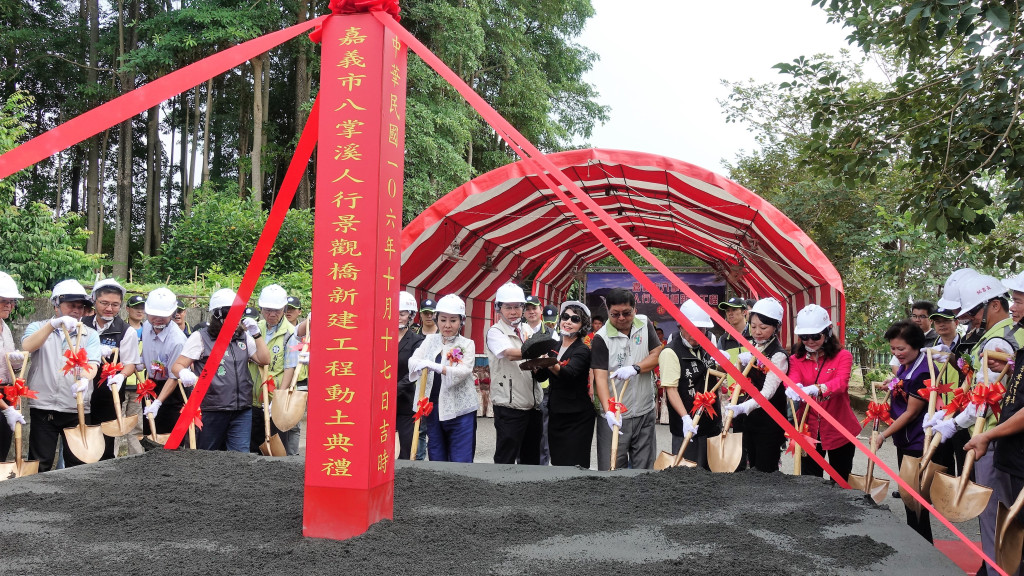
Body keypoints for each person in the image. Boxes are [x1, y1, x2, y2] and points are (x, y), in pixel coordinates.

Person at [171, 289, 270, 452]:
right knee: (208, 454)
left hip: (241, 409)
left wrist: (256, 334)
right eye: (230, 312)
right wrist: (183, 372)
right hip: (212, 408)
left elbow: (264, 359)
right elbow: (177, 365)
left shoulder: (243, 337)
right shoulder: (201, 337)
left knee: (240, 457)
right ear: (218, 314)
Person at [21, 279, 101, 471]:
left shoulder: (90, 334)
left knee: (77, 464)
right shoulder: (38, 327)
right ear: (56, 305)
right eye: (71, 305)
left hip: (76, 407)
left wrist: (84, 380)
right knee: (41, 462)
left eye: (80, 307)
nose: (76, 310)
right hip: (44, 406)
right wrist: (52, 325)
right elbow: (27, 346)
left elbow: (92, 364)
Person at [964, 344, 1024, 576]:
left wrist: (988, 435)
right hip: (1014, 455)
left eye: (1019, 303)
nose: (1015, 307)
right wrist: (1010, 371)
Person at [784, 304, 860, 482]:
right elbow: (794, 378)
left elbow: (841, 383)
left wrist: (816, 389)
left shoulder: (843, 356)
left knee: (840, 480)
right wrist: (793, 388)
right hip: (808, 429)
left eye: (815, 336)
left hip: (839, 429)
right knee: (810, 481)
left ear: (828, 331)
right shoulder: (796, 359)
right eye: (804, 336)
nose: (810, 341)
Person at [592, 288, 664, 470]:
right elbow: (600, 377)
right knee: (612, 468)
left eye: (627, 313)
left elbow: (656, 354)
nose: (622, 318)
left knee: (644, 470)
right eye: (615, 314)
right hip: (615, 416)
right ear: (608, 311)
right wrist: (608, 411)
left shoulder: (644, 324)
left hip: (643, 412)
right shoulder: (601, 338)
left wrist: (636, 368)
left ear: (635, 309)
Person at [874, 320, 932, 541]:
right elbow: (899, 382)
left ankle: (924, 546)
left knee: (916, 501)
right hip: (905, 441)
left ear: (916, 346)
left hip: (918, 442)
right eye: (892, 349)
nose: (896, 353)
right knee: (908, 497)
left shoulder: (923, 371)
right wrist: (889, 383)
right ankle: (916, 541)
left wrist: (883, 435)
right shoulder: (910, 365)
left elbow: (911, 413)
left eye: (901, 349)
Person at [408, 294, 478, 462]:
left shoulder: (467, 344)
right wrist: (418, 363)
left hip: (461, 410)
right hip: (433, 408)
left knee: (461, 458)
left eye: (453, 320)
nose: (447, 325)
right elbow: (413, 359)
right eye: (443, 319)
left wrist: (436, 366)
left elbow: (463, 371)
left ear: (461, 321)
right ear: (436, 319)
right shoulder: (429, 340)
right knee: (436, 455)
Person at [723, 297, 788, 473]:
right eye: (753, 327)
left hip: (769, 423)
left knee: (765, 470)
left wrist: (743, 407)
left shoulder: (779, 356)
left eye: (763, 328)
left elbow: (767, 393)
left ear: (776, 328)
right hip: (750, 421)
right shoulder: (752, 346)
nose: (757, 332)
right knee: (749, 469)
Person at [659, 300, 721, 469]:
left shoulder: (709, 343)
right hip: (687, 427)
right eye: (691, 330)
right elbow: (671, 390)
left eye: (701, 330)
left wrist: (724, 362)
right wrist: (685, 418)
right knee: (688, 474)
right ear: (680, 326)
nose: (696, 335)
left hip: (710, 423)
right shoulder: (671, 352)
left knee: (711, 471)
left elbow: (718, 374)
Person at [486, 283, 543, 464]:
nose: (513, 312)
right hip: (508, 406)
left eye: (517, 307)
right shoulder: (495, 332)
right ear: (498, 309)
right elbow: (509, 353)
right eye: (508, 307)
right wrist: (537, 350)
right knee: (506, 457)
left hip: (532, 404)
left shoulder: (527, 329)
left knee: (531, 458)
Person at [82, 279, 139, 460]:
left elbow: (130, 362)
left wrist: (121, 376)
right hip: (80, 392)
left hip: (109, 393)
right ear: (94, 301)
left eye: (115, 305)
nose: (109, 309)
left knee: (105, 444)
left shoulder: (125, 331)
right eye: (104, 303)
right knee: (81, 443)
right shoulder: (82, 324)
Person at [533, 301, 594, 468]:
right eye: (565, 317)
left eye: (575, 319)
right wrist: (537, 366)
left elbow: (569, 374)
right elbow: (541, 377)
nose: (568, 321)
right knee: (558, 462)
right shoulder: (555, 346)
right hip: (557, 413)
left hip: (577, 417)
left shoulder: (582, 350)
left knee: (576, 465)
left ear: (582, 326)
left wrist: (550, 362)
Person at [248, 284, 295, 454]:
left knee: (276, 448)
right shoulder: (255, 328)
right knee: (252, 446)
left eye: (277, 310)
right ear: (260, 308)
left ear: (284, 309)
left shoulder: (290, 333)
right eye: (268, 310)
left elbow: (290, 367)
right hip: (253, 400)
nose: (272, 314)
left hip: (274, 401)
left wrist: (279, 399)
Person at [136, 288, 188, 436]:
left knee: (167, 436)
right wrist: (140, 361)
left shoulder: (177, 341)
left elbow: (173, 376)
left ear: (172, 313)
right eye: (153, 314)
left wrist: (158, 402)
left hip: (172, 389)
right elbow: (147, 351)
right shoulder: (146, 326)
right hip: (151, 384)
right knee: (149, 434)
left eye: (163, 315)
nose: (157, 319)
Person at [0, 271, 27, 460]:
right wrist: (6, 408)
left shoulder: (5, 328)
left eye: (11, 301)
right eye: (4, 301)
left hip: (5, 397)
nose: (9, 306)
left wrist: (16, 366)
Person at [396, 291, 425, 460]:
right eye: (395, 313)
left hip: (405, 401)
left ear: (411, 315)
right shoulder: (380, 337)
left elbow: (413, 372)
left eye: (402, 314)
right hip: (380, 403)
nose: (398, 317)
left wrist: (394, 389)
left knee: (406, 449)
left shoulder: (417, 340)